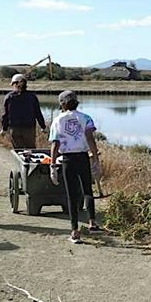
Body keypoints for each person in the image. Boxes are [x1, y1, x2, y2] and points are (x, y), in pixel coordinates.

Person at [48, 90, 101, 244]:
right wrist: (96, 158)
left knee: (71, 195)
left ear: (62, 104)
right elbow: (90, 139)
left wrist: (52, 165)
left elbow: (55, 144)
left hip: (67, 160)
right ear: (76, 102)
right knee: (87, 190)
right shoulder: (86, 118)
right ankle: (92, 223)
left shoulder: (58, 120)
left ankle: (75, 231)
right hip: (83, 157)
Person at [1, 73, 48, 149]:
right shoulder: (32, 96)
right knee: (31, 150)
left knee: (19, 151)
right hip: (29, 128)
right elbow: (38, 113)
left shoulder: (9, 97)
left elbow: (5, 115)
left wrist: (4, 128)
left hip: (14, 128)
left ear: (15, 84)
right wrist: (43, 127)